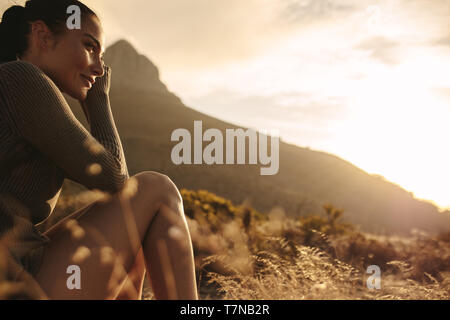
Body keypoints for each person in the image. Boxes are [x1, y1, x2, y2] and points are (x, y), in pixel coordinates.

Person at [0, 0, 198, 300]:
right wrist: (99, 100)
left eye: (101, 56)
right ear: (42, 36)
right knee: (158, 190)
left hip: (20, 268)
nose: (99, 68)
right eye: (89, 47)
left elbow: (121, 200)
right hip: (11, 279)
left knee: (136, 226)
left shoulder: (25, 91)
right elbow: (115, 179)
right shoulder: (21, 79)